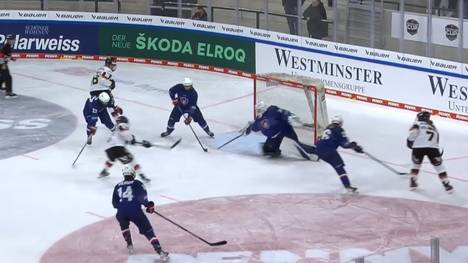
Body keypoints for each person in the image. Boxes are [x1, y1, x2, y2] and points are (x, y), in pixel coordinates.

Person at [112, 165, 169, 262]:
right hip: (135, 212)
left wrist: (123, 207)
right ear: (133, 174)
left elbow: (114, 203)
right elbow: (142, 198)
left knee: (124, 226)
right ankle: (160, 252)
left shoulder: (117, 185)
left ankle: (129, 245)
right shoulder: (138, 183)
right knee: (148, 231)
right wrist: (148, 205)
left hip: (121, 213)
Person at [244, 102, 317, 159]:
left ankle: (315, 152)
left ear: (263, 108)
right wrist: (248, 127)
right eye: (257, 110)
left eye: (259, 110)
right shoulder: (259, 120)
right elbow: (254, 128)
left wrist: (290, 116)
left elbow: (283, 112)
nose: (258, 111)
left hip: (285, 130)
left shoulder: (272, 110)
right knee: (267, 149)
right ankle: (275, 150)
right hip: (274, 136)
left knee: (297, 146)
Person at [406, 111, 454, 193]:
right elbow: (437, 139)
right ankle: (446, 184)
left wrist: (409, 141)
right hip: (432, 149)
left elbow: (413, 133)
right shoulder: (433, 127)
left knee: (416, 165)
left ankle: (413, 182)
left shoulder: (417, 124)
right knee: (439, 167)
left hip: (418, 148)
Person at [315, 115, 362, 192]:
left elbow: (319, 139)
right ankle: (348, 186)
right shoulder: (339, 130)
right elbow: (344, 144)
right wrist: (354, 146)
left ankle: (309, 151)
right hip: (329, 152)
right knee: (340, 168)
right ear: (340, 123)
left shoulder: (327, 128)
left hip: (318, 150)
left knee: (327, 155)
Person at [99, 115, 152, 183]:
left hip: (108, 149)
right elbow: (127, 136)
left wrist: (142, 144)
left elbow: (128, 141)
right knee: (132, 160)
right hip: (118, 148)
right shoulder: (122, 125)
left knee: (112, 160)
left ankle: (104, 171)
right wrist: (132, 139)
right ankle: (142, 176)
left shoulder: (115, 131)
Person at [0, 34, 17, 98]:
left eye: (12, 40)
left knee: (3, 76)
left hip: (2, 63)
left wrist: (12, 58)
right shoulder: (5, 47)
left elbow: (6, 55)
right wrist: (3, 65)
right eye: (9, 40)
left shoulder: (9, 46)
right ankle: (9, 92)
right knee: (8, 77)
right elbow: (1, 56)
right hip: (1, 64)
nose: (11, 41)